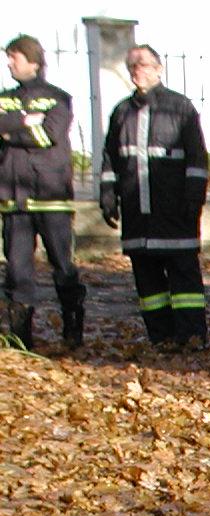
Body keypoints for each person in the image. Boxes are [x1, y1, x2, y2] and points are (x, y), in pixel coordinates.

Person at [98, 44, 209, 348]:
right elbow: (111, 159)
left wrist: (193, 198)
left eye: (145, 64)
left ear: (159, 68)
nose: (138, 70)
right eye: (132, 65)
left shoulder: (180, 107)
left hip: (174, 209)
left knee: (184, 277)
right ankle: (161, 337)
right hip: (137, 212)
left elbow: (197, 159)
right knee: (148, 282)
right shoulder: (121, 112)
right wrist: (108, 193)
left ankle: (193, 335)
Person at [0, 34, 86, 350]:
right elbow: (25, 129)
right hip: (13, 200)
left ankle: (73, 332)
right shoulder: (4, 97)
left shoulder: (57, 98)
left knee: (63, 267)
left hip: (51, 198)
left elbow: (48, 134)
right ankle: (20, 339)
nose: (9, 62)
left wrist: (10, 128)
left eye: (15, 57)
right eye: (8, 57)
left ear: (34, 61)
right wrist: (23, 121)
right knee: (17, 273)